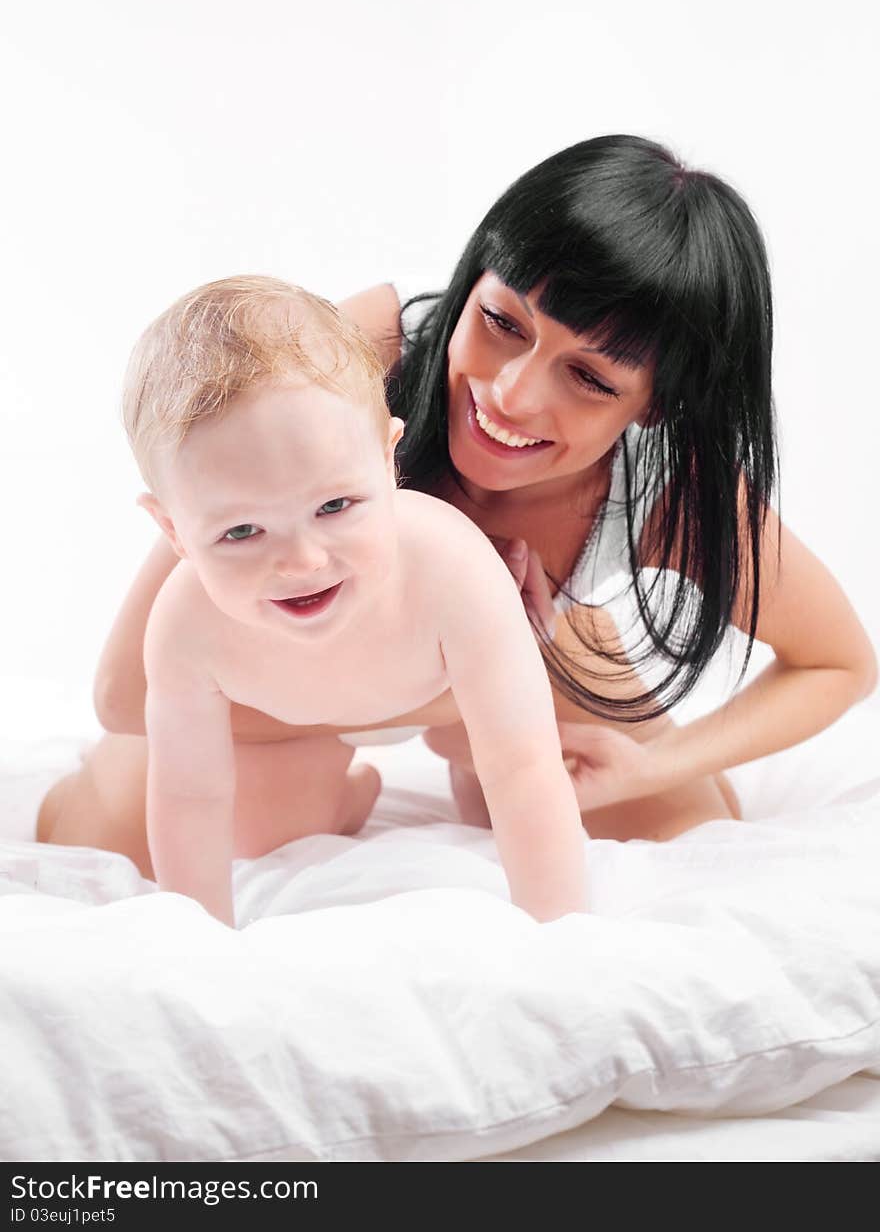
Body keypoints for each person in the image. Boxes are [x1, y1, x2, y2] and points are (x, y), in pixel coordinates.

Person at [38, 134, 876, 866]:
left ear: (653, 405)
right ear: (473, 278)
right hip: (320, 658)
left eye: (588, 378)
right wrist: (463, 677)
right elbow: (121, 693)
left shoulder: (665, 491)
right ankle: (352, 781)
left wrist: (659, 765)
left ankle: (485, 751)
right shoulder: (346, 357)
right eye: (503, 323)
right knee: (114, 833)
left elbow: (841, 663)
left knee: (679, 838)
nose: (511, 395)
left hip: (543, 654)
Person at [101, 274, 586, 926]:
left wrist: (558, 931)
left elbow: (526, 767)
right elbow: (191, 795)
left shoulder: (455, 570)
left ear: (388, 463)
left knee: (500, 771)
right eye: (240, 531)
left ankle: (463, 772)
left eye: (335, 506)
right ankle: (351, 793)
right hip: (298, 719)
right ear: (173, 531)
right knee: (265, 831)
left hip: (447, 694)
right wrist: (201, 941)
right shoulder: (186, 629)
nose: (301, 563)